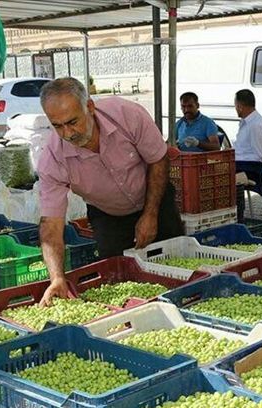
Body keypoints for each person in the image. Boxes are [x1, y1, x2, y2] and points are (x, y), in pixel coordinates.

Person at [36, 77, 183, 305]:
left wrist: (151, 213)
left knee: (174, 266)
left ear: (90, 107)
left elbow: (158, 159)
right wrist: (56, 278)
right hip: (107, 214)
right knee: (118, 277)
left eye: (72, 122)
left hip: (155, 196)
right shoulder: (52, 159)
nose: (67, 133)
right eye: (57, 126)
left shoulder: (126, 114)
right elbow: (51, 225)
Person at [233, 89, 262, 192]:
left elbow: (260, 157)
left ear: (240, 106)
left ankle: (237, 207)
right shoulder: (247, 122)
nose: (235, 109)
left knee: (215, 177)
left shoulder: (255, 125)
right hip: (241, 164)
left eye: (235, 106)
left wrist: (235, 160)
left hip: (249, 169)